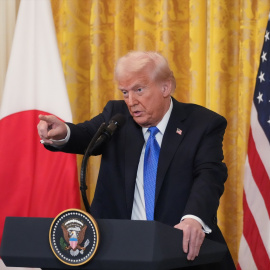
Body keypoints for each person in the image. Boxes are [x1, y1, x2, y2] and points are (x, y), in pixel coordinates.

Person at [37, 51, 235, 269]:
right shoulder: (117, 116)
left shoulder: (202, 124)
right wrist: (63, 132)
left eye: (139, 90)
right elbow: (87, 134)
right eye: (125, 92)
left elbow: (209, 175)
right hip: (120, 250)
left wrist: (193, 219)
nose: (131, 102)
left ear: (165, 87)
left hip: (179, 251)